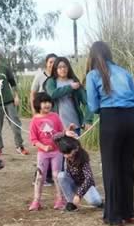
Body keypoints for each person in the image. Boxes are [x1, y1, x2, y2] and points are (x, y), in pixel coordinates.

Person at [85, 41, 134, 226]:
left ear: (92, 56)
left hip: (111, 121)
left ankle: (114, 215)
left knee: (111, 168)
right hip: (130, 119)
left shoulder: (93, 75)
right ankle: (128, 212)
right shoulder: (124, 72)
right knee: (126, 166)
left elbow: (93, 106)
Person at [28, 93, 66, 211]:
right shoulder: (34, 120)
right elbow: (33, 139)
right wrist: (44, 147)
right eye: (44, 102)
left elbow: (61, 132)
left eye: (49, 102)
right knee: (40, 177)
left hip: (57, 152)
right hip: (42, 153)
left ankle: (60, 199)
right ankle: (36, 201)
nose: (47, 104)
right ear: (38, 104)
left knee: (56, 175)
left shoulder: (55, 116)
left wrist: (67, 132)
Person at [44, 57, 94, 136]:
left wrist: (88, 120)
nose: (63, 69)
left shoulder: (75, 82)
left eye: (65, 66)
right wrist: (70, 87)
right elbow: (52, 94)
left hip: (74, 124)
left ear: (68, 68)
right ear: (55, 69)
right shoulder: (51, 81)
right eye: (60, 67)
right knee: (58, 148)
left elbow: (88, 102)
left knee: (75, 148)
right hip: (57, 125)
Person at [54, 135, 103, 212]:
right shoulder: (66, 153)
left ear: (75, 149)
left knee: (96, 201)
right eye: (64, 154)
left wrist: (79, 194)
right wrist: (65, 133)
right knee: (61, 175)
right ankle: (72, 203)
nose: (67, 156)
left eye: (69, 153)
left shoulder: (83, 157)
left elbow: (89, 178)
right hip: (73, 182)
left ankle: (94, 200)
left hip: (85, 184)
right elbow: (54, 138)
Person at [30, 53, 57, 186]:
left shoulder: (57, 77)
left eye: (54, 62)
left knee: (53, 144)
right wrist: (34, 112)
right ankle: (39, 176)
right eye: (50, 61)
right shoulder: (40, 76)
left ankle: (50, 176)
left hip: (52, 114)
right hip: (40, 113)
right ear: (46, 63)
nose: (52, 64)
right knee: (42, 145)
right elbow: (33, 93)